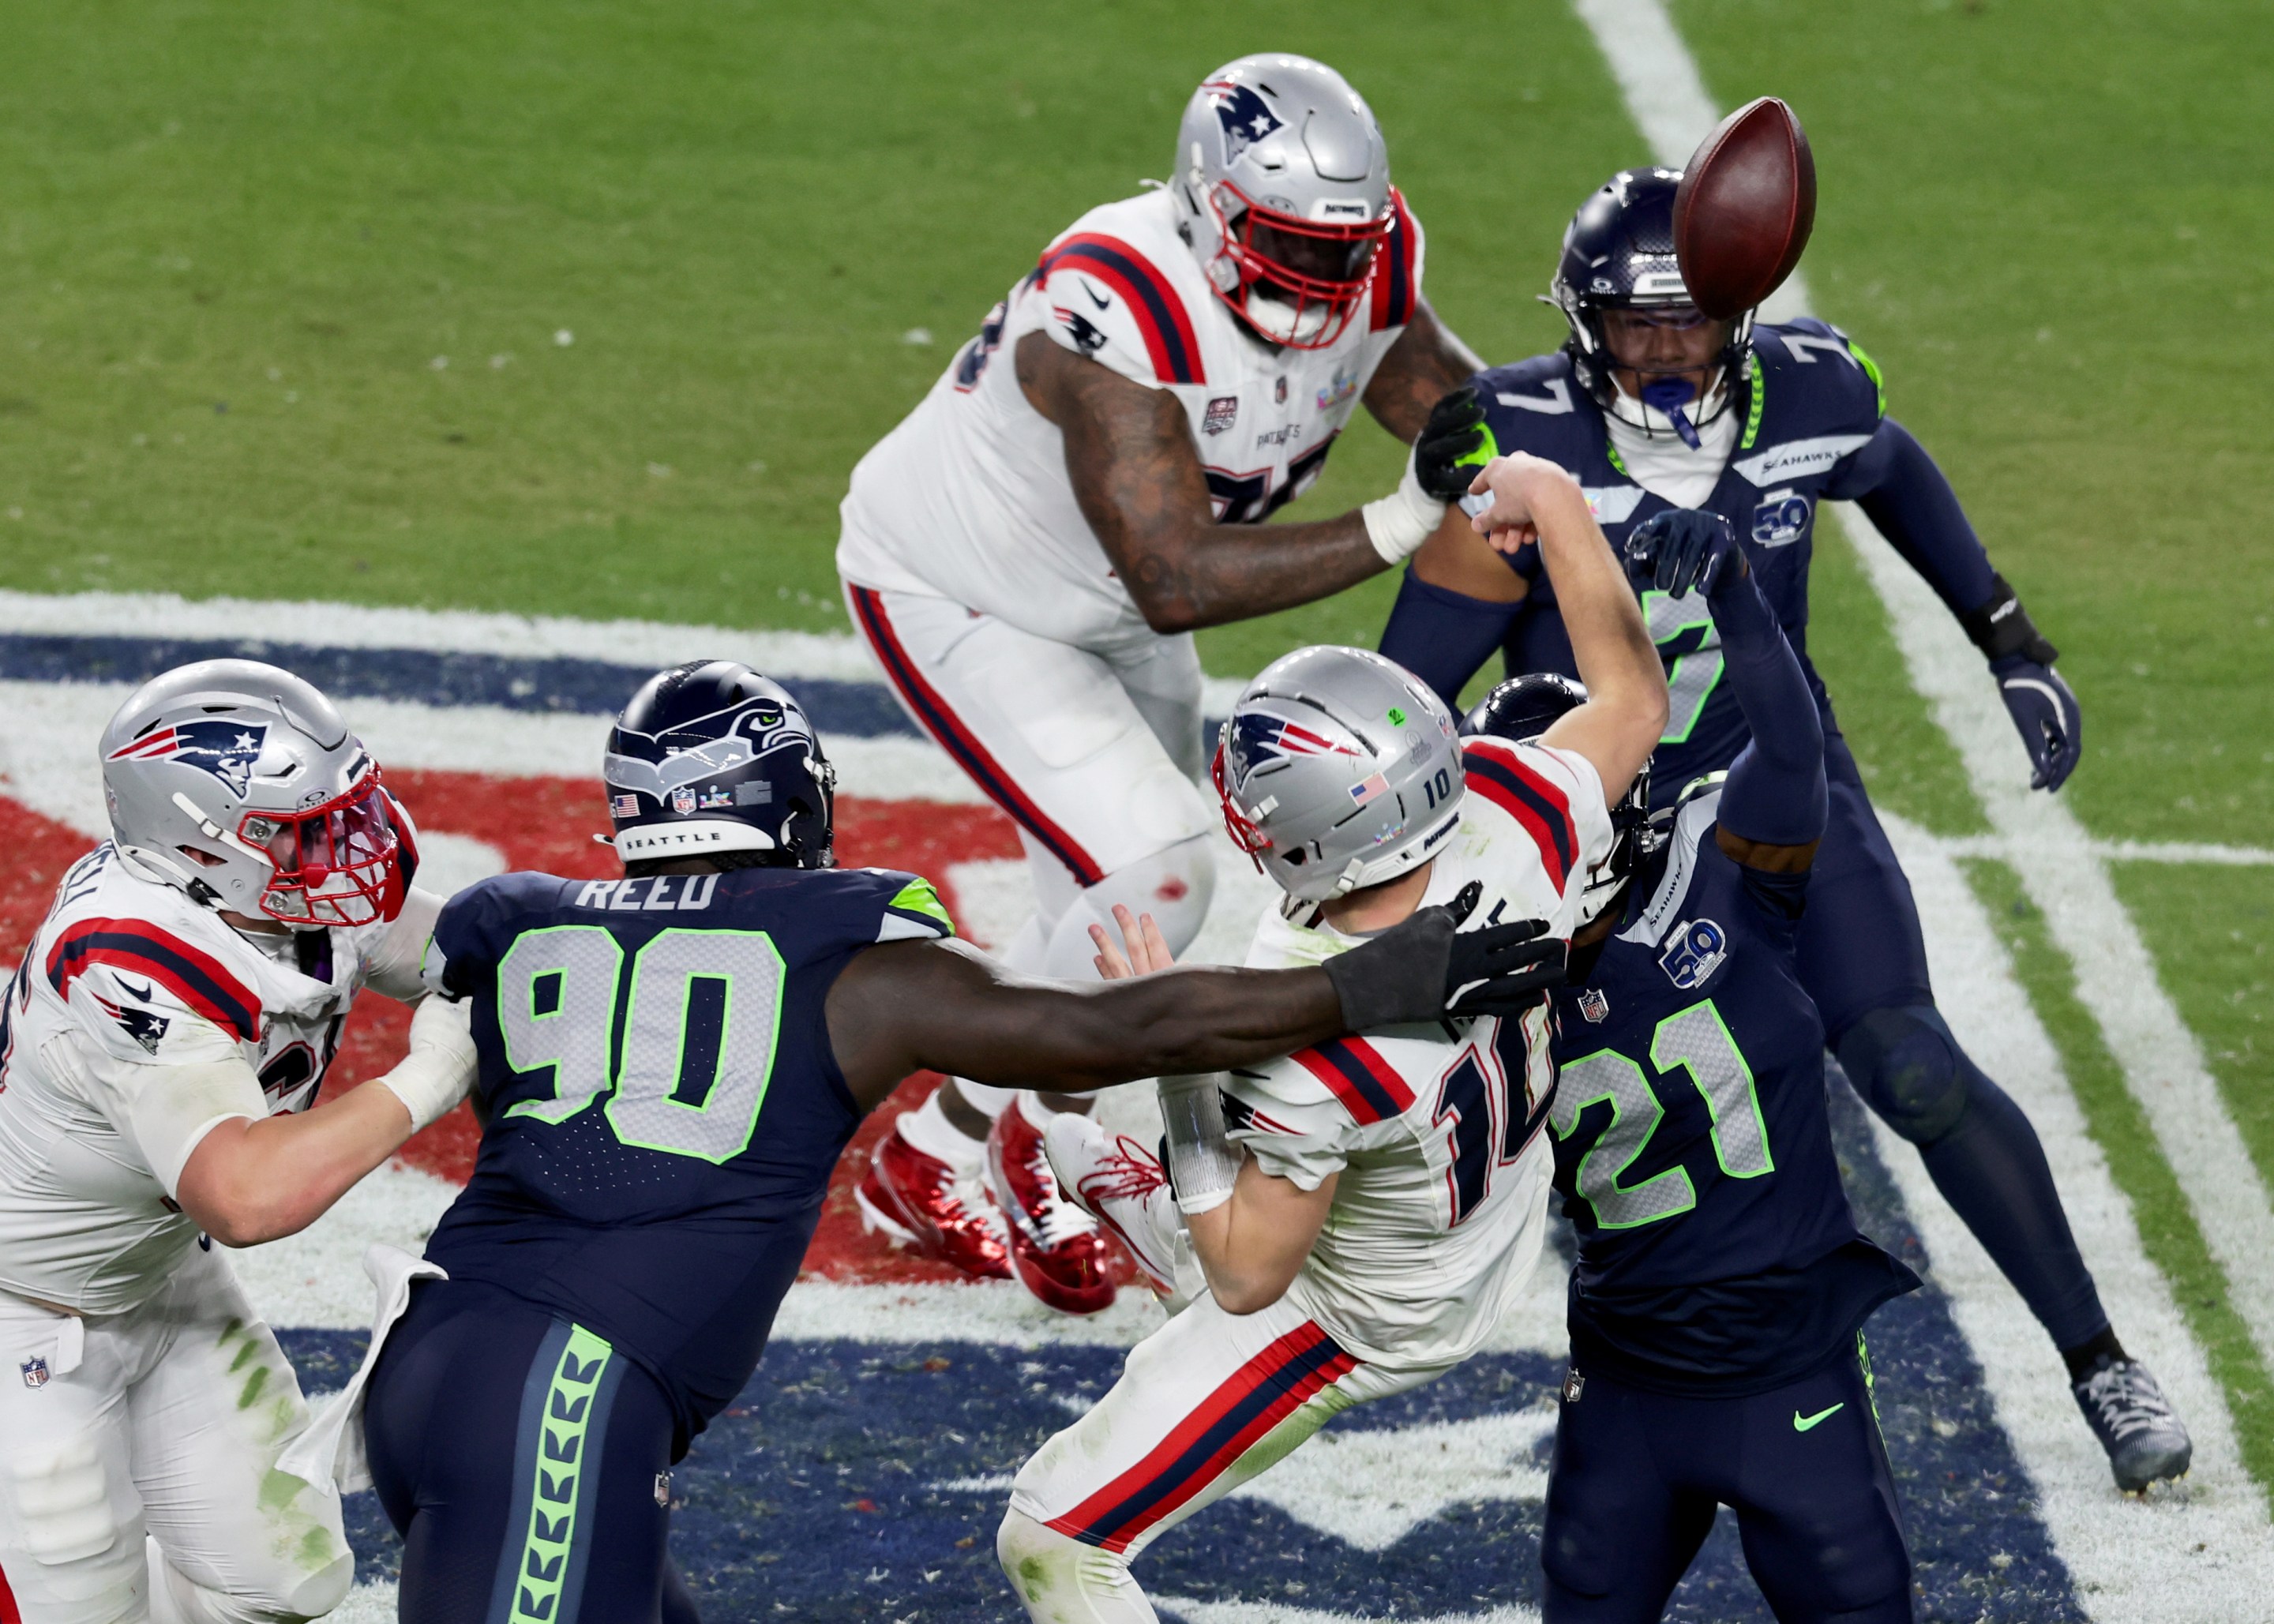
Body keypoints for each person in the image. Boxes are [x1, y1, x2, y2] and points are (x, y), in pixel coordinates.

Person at [346, 658, 1555, 1624]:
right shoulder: (847, 955)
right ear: (795, 798)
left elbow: (373, 943)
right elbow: (1097, 1037)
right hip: (562, 1395)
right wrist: (1374, 979)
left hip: (437, 1358)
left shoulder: (524, 917)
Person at [1375, 167, 2190, 1490]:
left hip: (1776, 786)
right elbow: (1413, 683)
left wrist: (2009, 639)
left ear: (1738, 313)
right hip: (1599, 829)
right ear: (1583, 323)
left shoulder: (1810, 388)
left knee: (1913, 1067)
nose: (1663, 350)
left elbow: (1890, 463)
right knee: (1594, 1116)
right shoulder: (1513, 442)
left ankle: (2100, 1357)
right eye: (1633, 324)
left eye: (1690, 320)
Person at [836, 52, 1492, 1312]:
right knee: (1168, 873)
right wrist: (1405, 522)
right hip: (967, 592)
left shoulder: (1372, 261)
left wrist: (1555, 454)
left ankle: (938, 1150)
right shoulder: (1114, 300)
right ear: (1207, 206)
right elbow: (1175, 577)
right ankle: (1026, 1121)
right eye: (1283, 243)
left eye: (1333, 251)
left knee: (1110, 894)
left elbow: (1449, 406)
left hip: (1101, 605)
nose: (1313, 279)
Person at [993, 451, 1668, 1622]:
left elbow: (1251, 1275)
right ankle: (1115, 1180)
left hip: (1364, 1311)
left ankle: (1128, 1188)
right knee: (1095, 1130)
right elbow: (1634, 698)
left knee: (1054, 1540)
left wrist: (1186, 1071)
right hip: (1489, 1208)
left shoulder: (1306, 1040)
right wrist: (1555, 497)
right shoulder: (1522, 815)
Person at [1493, 510, 1919, 1623]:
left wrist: (1737, 588)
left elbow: (1792, 748)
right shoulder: (1466, 976)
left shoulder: (1722, 876)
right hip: (1622, 1379)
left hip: (1786, 1371)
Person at [0, 660, 475, 1624]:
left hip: (159, 1272)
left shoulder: (275, 898)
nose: (354, 842)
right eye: (306, 827)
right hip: (20, 1312)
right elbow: (246, 1197)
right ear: (205, 843)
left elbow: (466, 951)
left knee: (283, 1577)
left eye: (350, 804)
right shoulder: (129, 953)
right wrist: (427, 1075)